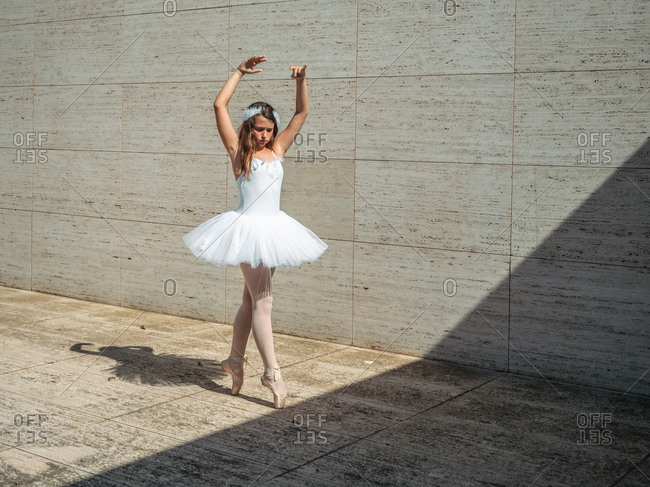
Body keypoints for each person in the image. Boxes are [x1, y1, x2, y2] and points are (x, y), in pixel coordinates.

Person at [182, 55, 327, 408]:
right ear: (247, 128)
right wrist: (239, 73)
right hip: (247, 231)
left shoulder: (277, 151)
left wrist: (300, 81)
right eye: (257, 128)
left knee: (251, 299)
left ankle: (234, 360)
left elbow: (301, 115)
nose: (263, 134)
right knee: (265, 301)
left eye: (268, 129)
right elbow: (219, 104)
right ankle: (272, 372)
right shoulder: (238, 153)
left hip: (275, 230)